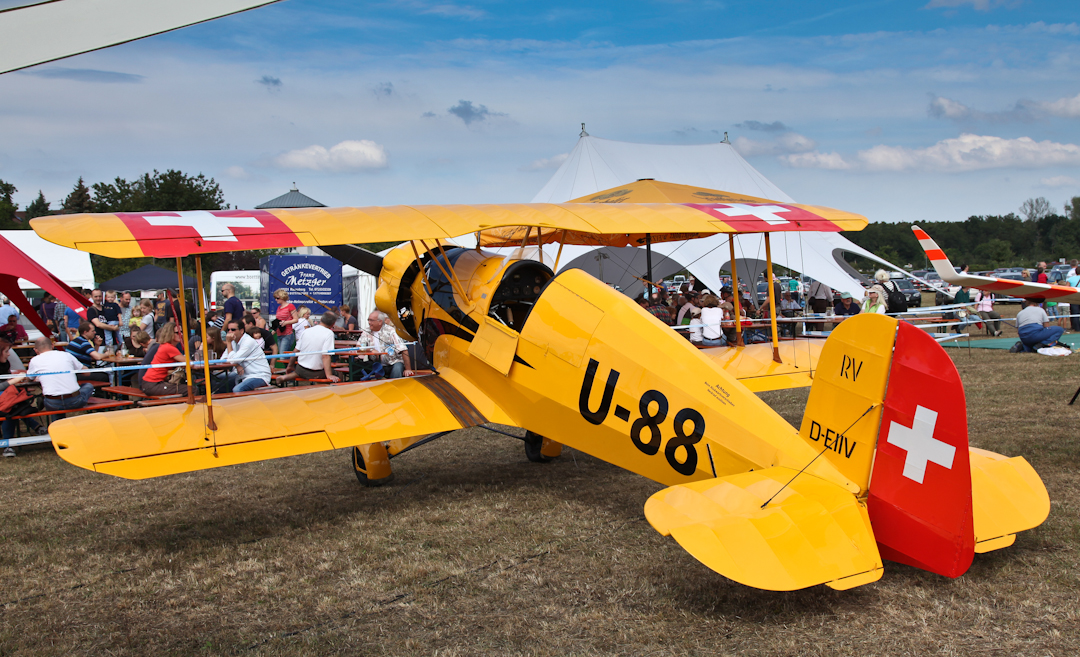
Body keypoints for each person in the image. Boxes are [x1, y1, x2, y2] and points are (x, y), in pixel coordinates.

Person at [27, 336, 95, 413]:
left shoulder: (34, 360)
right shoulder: (66, 355)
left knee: (53, 403)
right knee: (88, 386)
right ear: (52, 345)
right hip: (74, 401)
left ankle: (56, 422)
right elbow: (87, 373)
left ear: (35, 350)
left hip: (52, 402)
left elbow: (29, 378)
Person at [276, 311, 340, 384]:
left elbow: (295, 351)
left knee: (300, 372)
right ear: (333, 324)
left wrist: (290, 366)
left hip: (300, 369)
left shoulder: (307, 331)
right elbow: (325, 355)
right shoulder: (329, 333)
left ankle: (285, 377)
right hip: (316, 372)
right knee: (338, 374)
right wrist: (329, 375)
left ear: (321, 319)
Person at [358, 310, 415, 379]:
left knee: (397, 368)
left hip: (393, 363)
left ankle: (394, 388)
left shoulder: (391, 331)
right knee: (356, 367)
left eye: (371, 320)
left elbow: (404, 350)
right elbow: (359, 348)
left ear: (380, 322)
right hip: (376, 364)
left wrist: (408, 369)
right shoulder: (367, 332)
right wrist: (370, 350)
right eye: (368, 320)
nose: (369, 322)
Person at [140, 323, 189, 397]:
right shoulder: (169, 348)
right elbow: (191, 364)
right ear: (170, 334)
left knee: (184, 388)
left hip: (149, 383)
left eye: (181, 332)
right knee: (191, 390)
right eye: (178, 332)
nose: (181, 334)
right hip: (153, 384)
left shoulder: (165, 346)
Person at [223, 320, 273, 392]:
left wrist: (228, 342)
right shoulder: (233, 341)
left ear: (241, 331)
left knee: (237, 390)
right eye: (228, 330)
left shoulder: (248, 341)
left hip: (259, 376)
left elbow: (232, 360)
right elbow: (223, 359)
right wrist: (237, 365)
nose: (230, 332)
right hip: (242, 376)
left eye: (233, 330)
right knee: (215, 380)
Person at [272, 289, 299, 353]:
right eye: (275, 298)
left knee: (283, 355)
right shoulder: (279, 307)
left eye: (277, 298)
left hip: (287, 333)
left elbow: (296, 319)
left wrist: (286, 322)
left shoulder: (290, 306)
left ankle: (291, 362)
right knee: (282, 354)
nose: (276, 299)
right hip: (279, 333)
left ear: (282, 297)